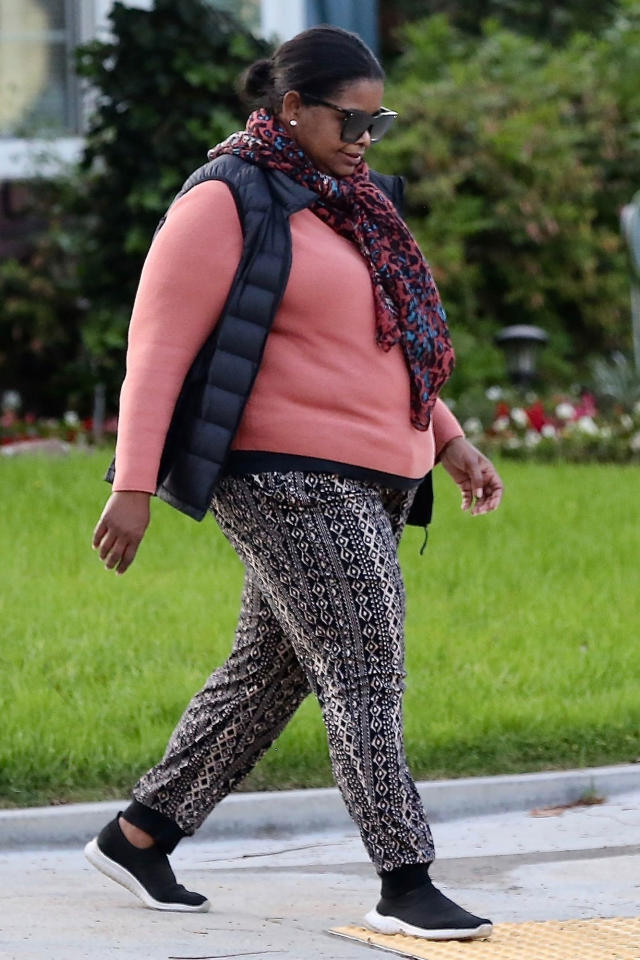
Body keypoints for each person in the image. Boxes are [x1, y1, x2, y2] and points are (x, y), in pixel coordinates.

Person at [85, 24, 503, 942]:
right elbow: (157, 351)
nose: (364, 137)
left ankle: (140, 834)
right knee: (364, 661)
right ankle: (405, 878)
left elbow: (385, 347)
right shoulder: (224, 199)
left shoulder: (356, 206)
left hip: (375, 476)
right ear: (289, 109)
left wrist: (452, 441)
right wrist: (134, 483)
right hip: (279, 475)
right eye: (348, 119)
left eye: (376, 120)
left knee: (267, 676)